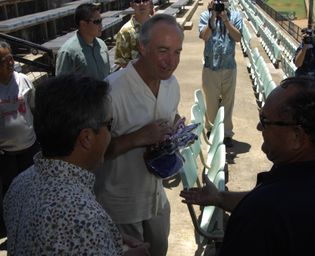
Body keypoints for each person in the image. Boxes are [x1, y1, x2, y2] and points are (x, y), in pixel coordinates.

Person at [180, 76, 315, 255]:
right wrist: (219, 198)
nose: (259, 127)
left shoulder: (262, 214)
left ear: (297, 137)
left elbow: (266, 209)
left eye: (265, 120)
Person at [3, 74, 150, 255]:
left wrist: (108, 240)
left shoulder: (20, 183)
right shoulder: (85, 217)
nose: (110, 135)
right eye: (109, 125)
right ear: (87, 138)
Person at [94, 14, 184, 256]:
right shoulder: (112, 91)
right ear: (142, 47)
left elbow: (172, 115)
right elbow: (94, 154)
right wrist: (138, 137)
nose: (171, 61)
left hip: (156, 199)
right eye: (163, 50)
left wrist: (177, 128)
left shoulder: (171, 84)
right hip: (121, 205)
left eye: (177, 52)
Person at [0, 41, 40, 238]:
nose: (10, 63)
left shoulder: (23, 80)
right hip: (6, 155)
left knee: (31, 191)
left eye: (11, 58)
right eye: (4, 60)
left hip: (29, 148)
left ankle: (30, 225)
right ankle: (12, 229)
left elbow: (34, 108)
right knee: (9, 194)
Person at [198, 0, 242, 147]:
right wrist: (212, 18)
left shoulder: (235, 16)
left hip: (229, 66)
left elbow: (238, 37)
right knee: (211, 101)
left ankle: (227, 133)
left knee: (228, 102)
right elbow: (204, 36)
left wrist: (226, 21)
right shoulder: (205, 16)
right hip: (211, 66)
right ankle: (211, 129)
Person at [55, 3, 110, 80]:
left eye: (101, 20)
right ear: (83, 24)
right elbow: (61, 86)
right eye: (97, 21)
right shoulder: (68, 51)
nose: (101, 25)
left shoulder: (102, 45)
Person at [114, 0, 152, 68]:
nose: (142, 4)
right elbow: (123, 63)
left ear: (150, 2)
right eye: (137, 1)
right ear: (132, 4)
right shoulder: (125, 32)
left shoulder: (159, 26)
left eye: (145, 0)